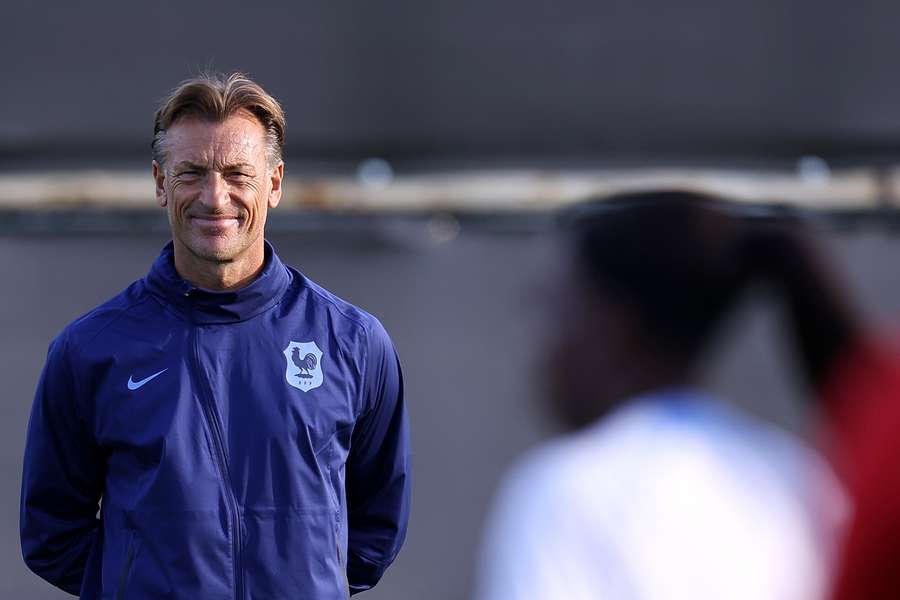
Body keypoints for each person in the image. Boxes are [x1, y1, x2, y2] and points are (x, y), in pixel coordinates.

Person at [20, 73, 411, 599]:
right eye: (192, 173)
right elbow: (51, 532)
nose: (214, 196)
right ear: (160, 183)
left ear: (274, 184)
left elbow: (377, 526)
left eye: (236, 174)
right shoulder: (89, 349)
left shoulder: (354, 341)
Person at [473, 190, 845, 600]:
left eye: (557, 308)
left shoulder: (565, 491)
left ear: (616, 321)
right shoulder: (800, 476)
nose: (544, 347)